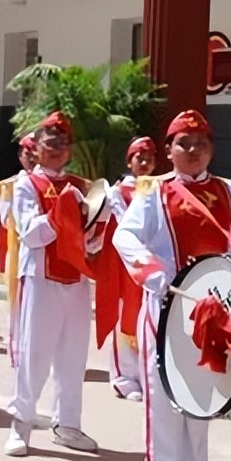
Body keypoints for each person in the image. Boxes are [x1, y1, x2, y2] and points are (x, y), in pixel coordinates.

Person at [112, 110, 231, 461]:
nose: (194, 151)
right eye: (184, 144)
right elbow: (125, 235)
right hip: (169, 303)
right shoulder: (155, 191)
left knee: (203, 395)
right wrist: (151, 271)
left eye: (201, 144)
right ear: (169, 151)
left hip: (216, 309)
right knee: (165, 396)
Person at [5, 112, 105, 457]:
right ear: (36, 146)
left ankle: (68, 424)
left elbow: (91, 241)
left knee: (74, 355)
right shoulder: (25, 184)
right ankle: (20, 425)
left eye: (63, 142)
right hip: (41, 277)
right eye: (50, 141)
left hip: (75, 278)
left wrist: (96, 229)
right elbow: (30, 234)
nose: (57, 148)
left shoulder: (81, 186)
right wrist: (62, 213)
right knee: (35, 353)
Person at [95, 136, 157, 403]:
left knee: (148, 318)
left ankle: (146, 376)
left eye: (149, 158)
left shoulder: (160, 188)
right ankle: (123, 377)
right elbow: (122, 225)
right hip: (125, 265)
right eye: (138, 157)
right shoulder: (117, 192)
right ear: (129, 161)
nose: (143, 162)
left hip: (153, 262)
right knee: (125, 318)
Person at [0, 133, 37, 356]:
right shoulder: (11, 186)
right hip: (18, 247)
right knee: (18, 301)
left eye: (34, 154)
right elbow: (5, 219)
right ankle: (18, 349)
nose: (30, 159)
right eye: (26, 154)